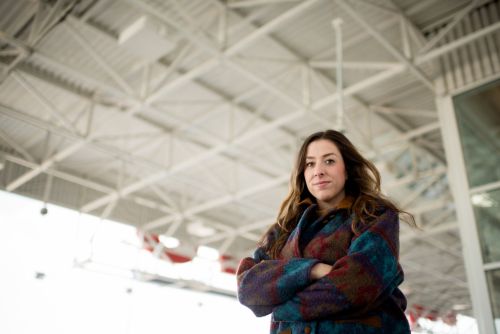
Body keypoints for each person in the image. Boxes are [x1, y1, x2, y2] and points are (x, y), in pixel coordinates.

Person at [236, 129, 416, 334]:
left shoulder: (374, 216)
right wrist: (313, 270)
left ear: (347, 169)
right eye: (310, 163)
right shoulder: (284, 230)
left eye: (329, 161)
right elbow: (248, 288)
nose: (318, 171)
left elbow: (359, 283)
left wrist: (283, 304)